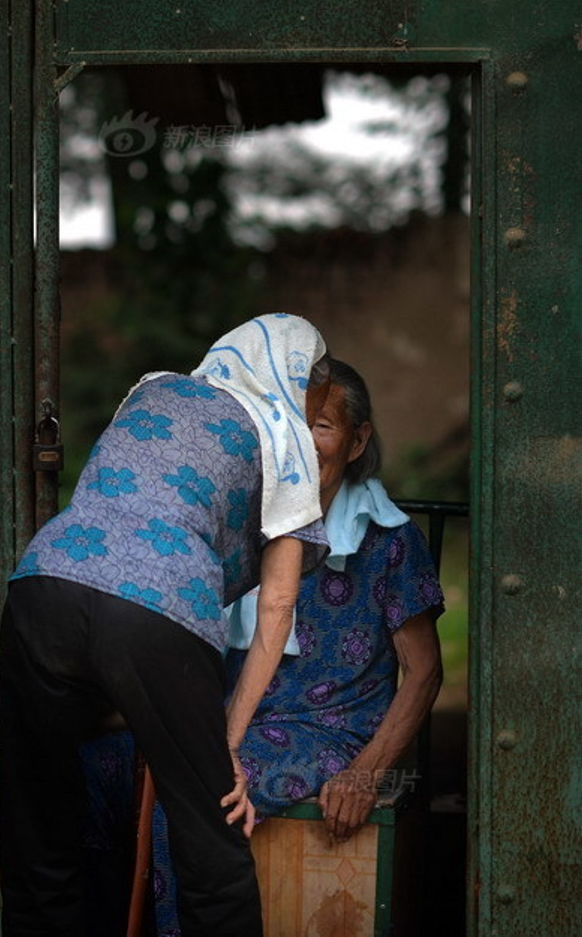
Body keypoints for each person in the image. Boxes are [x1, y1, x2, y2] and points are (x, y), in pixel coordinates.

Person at [0, 313, 332, 937]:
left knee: (38, 832)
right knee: (212, 835)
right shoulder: (286, 438)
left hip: (43, 584)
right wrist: (225, 746)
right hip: (157, 606)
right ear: (297, 378)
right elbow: (277, 609)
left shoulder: (155, 387)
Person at [150, 358, 444, 935]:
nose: (304, 442)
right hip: (235, 723)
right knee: (97, 770)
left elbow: (426, 672)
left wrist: (366, 773)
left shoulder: (389, 540)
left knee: (189, 806)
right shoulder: (247, 518)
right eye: (293, 422)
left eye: (323, 426)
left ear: (357, 441)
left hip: (329, 733)